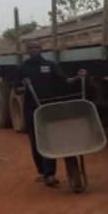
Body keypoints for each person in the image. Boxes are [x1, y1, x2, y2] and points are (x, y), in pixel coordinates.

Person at [15, 39, 87, 187]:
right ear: (27, 51)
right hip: (32, 108)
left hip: (50, 107)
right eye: (31, 48)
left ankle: (53, 173)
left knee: (52, 137)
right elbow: (16, 89)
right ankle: (44, 172)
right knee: (37, 140)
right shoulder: (22, 68)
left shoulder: (50, 65)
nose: (34, 50)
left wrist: (78, 77)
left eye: (36, 47)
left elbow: (65, 81)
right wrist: (23, 86)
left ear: (41, 49)